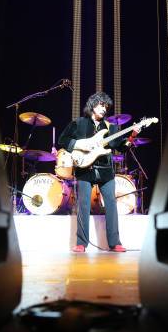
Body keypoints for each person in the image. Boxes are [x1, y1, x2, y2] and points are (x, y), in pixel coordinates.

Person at [58, 91, 139, 253]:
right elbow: (63, 140)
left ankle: (115, 242)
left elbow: (120, 147)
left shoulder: (111, 127)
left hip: (105, 171)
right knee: (83, 205)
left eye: (106, 107)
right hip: (84, 169)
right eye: (101, 105)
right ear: (92, 105)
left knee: (111, 204)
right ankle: (81, 243)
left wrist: (131, 137)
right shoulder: (78, 123)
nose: (104, 109)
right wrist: (80, 145)